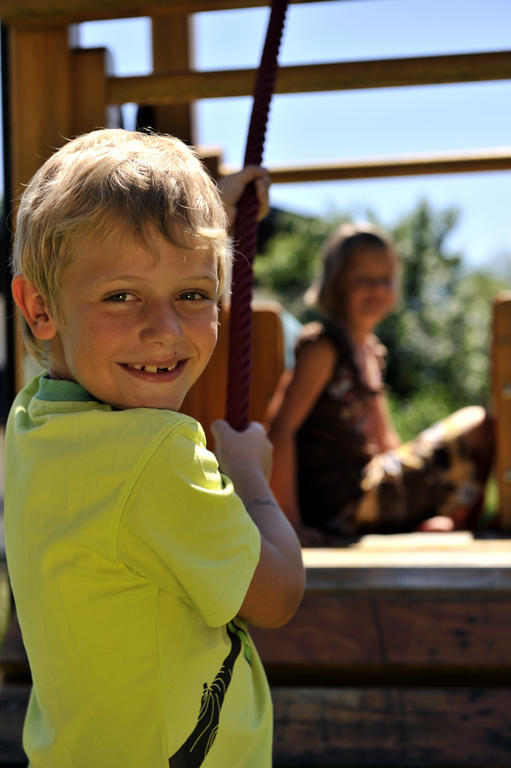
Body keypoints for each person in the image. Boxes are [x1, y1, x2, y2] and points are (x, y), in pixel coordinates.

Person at [5, 128, 304, 768]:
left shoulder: (34, 424)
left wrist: (203, 214)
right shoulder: (156, 456)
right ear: (38, 307)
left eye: (194, 294)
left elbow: (116, 277)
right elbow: (277, 596)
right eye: (121, 295)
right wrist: (250, 476)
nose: (163, 330)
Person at [266, 222, 493, 542]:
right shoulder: (324, 346)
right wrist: (290, 524)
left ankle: (442, 517)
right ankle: (457, 519)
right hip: (340, 502)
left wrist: (411, 483)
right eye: (363, 278)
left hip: (366, 491)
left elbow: (386, 441)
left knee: (482, 425)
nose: (377, 288)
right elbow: (281, 429)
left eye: (385, 279)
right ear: (335, 284)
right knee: (478, 422)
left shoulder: (369, 351)